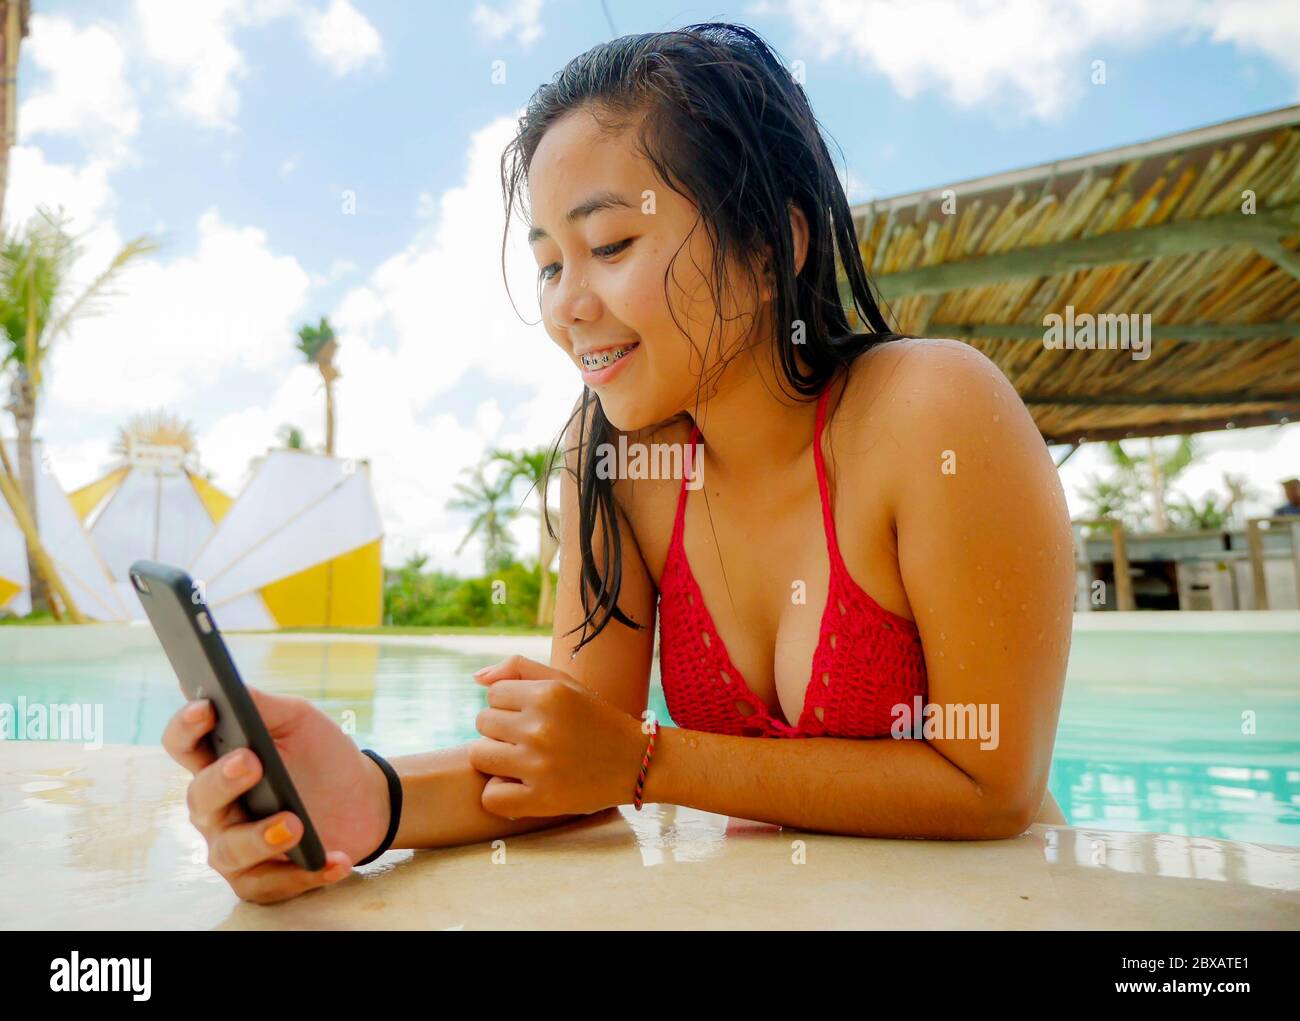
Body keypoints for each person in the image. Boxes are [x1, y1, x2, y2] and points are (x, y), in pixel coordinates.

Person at [163, 22, 1074, 905]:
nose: (567, 306)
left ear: (769, 247)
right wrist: (364, 795)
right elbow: (569, 764)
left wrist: (650, 759)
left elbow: (991, 782)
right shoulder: (616, 462)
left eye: (608, 247)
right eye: (551, 264)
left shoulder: (931, 414)